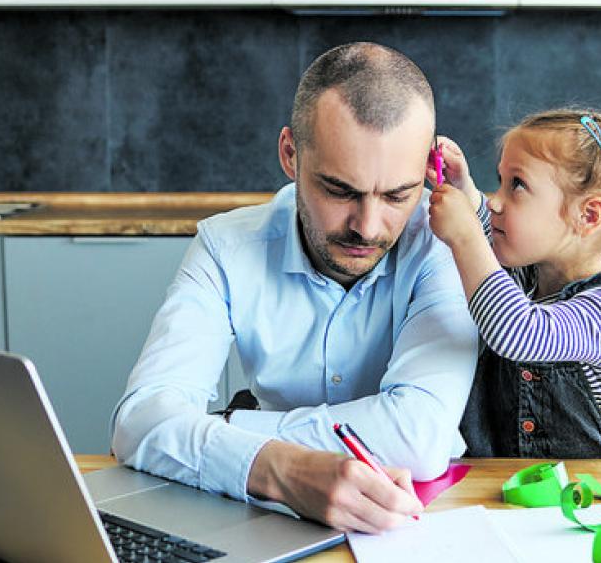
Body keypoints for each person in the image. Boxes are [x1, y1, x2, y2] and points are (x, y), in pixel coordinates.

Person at [111, 42, 479, 534]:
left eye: (397, 195)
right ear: (291, 153)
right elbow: (139, 421)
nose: (368, 227)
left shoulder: (445, 247)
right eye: (339, 190)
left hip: (421, 523)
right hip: (263, 512)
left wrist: (229, 431)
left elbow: (418, 438)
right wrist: (281, 471)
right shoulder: (225, 247)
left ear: (429, 173)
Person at [425, 108, 601, 459]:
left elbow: (517, 329)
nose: (496, 200)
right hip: (507, 491)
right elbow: (492, 249)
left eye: (517, 185)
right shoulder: (527, 274)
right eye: (501, 181)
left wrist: (464, 237)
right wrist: (463, 187)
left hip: (590, 500)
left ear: (588, 216)